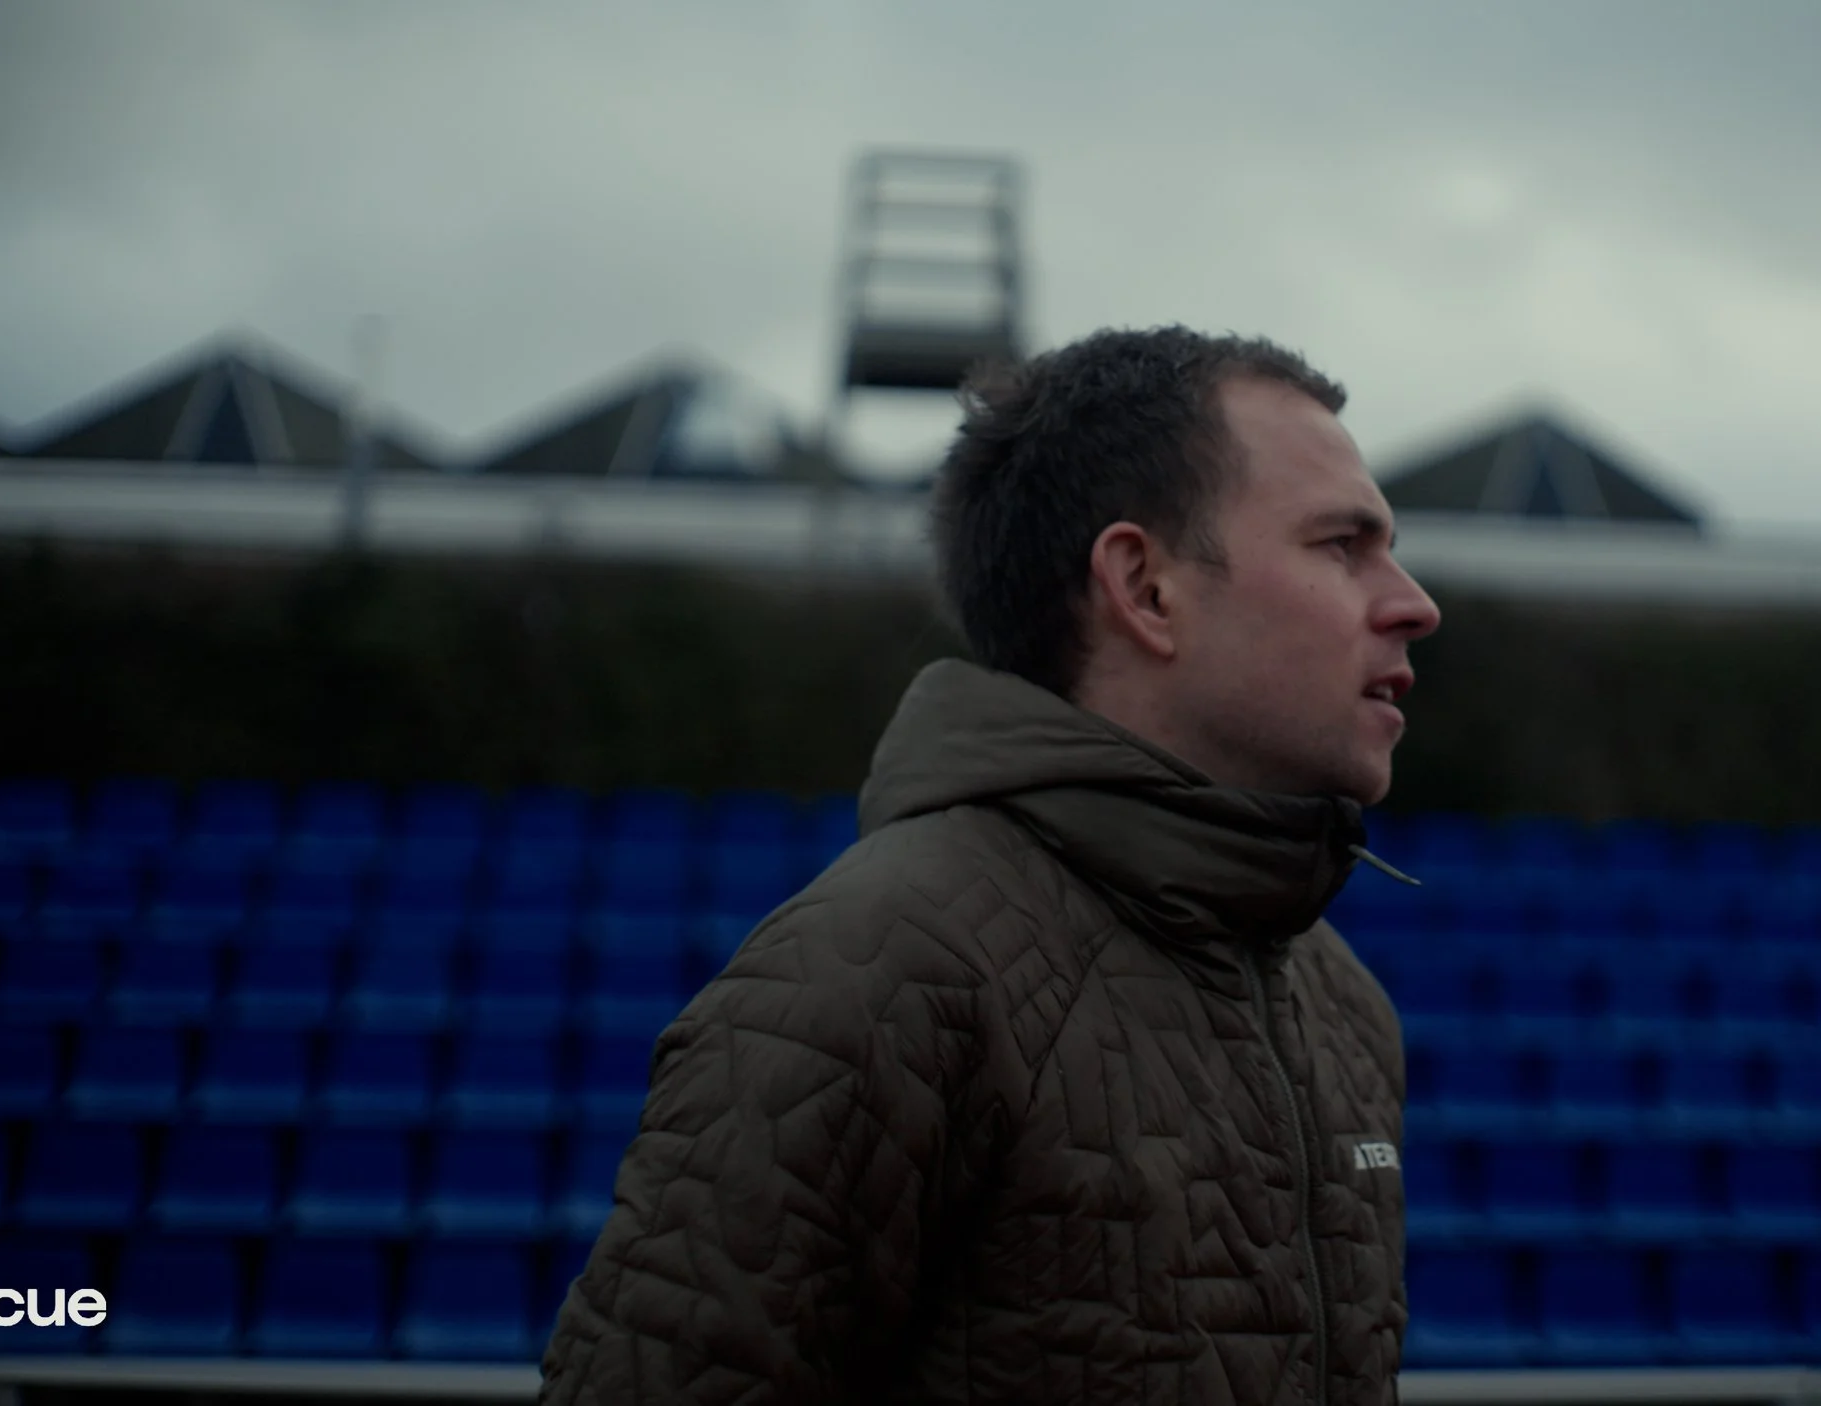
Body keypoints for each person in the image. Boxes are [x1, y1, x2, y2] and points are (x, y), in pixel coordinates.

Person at [541, 326, 1443, 1404]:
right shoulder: (867, 975)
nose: (1412, 602)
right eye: (1341, 544)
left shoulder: (1339, 998)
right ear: (1144, 586)